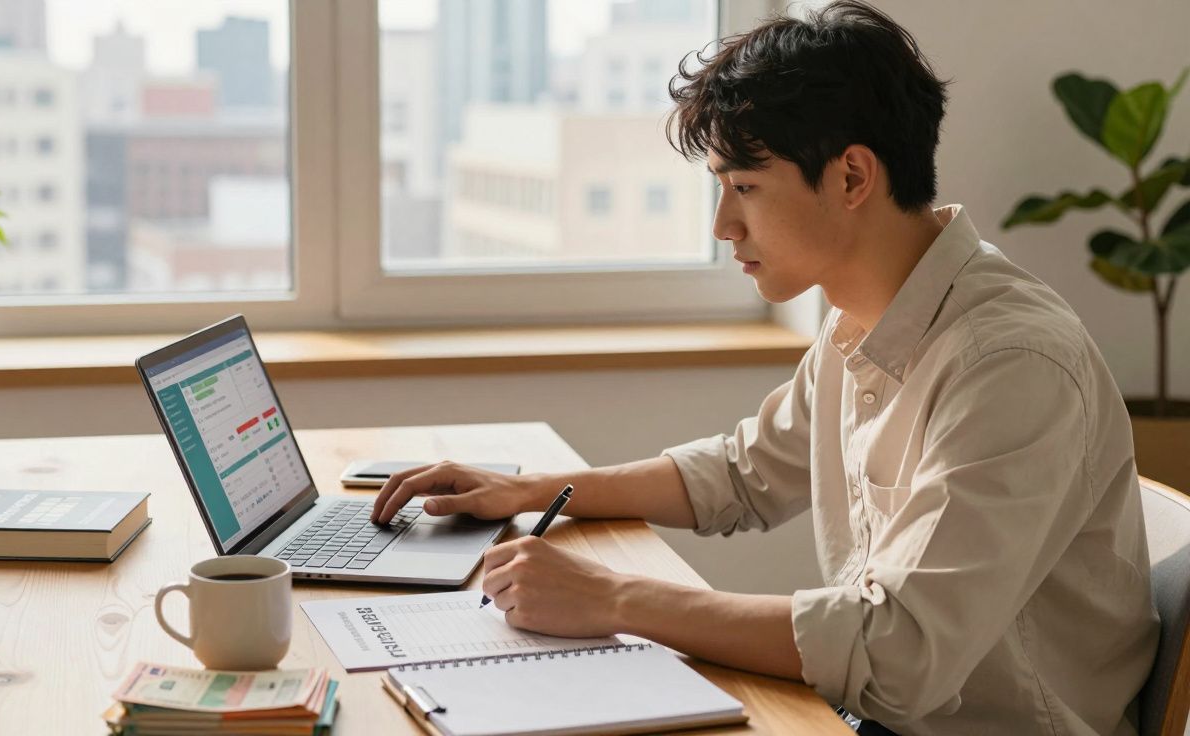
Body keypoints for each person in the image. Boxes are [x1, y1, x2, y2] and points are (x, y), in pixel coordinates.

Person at [372, 1, 1158, 733]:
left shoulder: (1010, 363)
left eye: (744, 186)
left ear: (853, 177)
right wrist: (534, 490)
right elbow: (742, 475)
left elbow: (899, 651)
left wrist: (612, 597)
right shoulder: (869, 315)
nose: (722, 225)